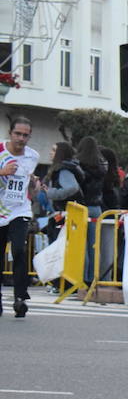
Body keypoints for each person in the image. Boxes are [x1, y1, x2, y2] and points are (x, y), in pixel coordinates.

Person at [0, 117, 40, 318]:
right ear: (10, 133)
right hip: (0, 210)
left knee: (19, 249)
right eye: (18, 134)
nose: (21, 139)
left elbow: (27, 185)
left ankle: (20, 298)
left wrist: (34, 187)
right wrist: (2, 172)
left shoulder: (33, 156)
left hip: (19, 210)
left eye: (25, 135)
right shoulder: (0, 151)